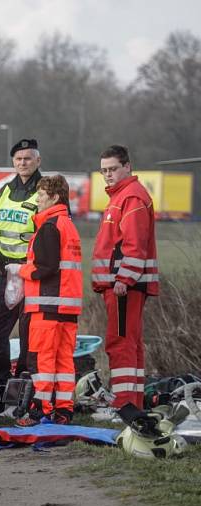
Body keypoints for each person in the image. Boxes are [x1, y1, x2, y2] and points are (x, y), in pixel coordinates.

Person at [10, 175, 82, 426]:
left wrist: (19, 270)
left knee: (42, 361)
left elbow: (45, 268)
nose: (37, 199)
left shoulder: (50, 226)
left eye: (41, 195)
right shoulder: (68, 225)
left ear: (54, 198)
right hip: (67, 309)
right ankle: (63, 411)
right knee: (63, 362)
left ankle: (39, 411)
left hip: (46, 306)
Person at [91, 145, 158, 413]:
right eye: (104, 170)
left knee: (120, 343)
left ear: (127, 166)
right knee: (131, 343)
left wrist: (124, 279)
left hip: (123, 287)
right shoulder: (122, 196)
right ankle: (134, 403)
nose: (108, 174)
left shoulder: (130, 197)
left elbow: (134, 244)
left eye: (113, 169)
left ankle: (125, 405)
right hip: (125, 285)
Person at [0, 138, 43, 390]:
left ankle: (23, 384)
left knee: (30, 335)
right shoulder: (5, 191)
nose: (22, 163)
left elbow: (53, 232)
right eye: (18, 159)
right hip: (4, 272)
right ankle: (0, 383)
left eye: (27, 158)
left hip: (32, 273)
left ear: (38, 161)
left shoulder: (46, 191)